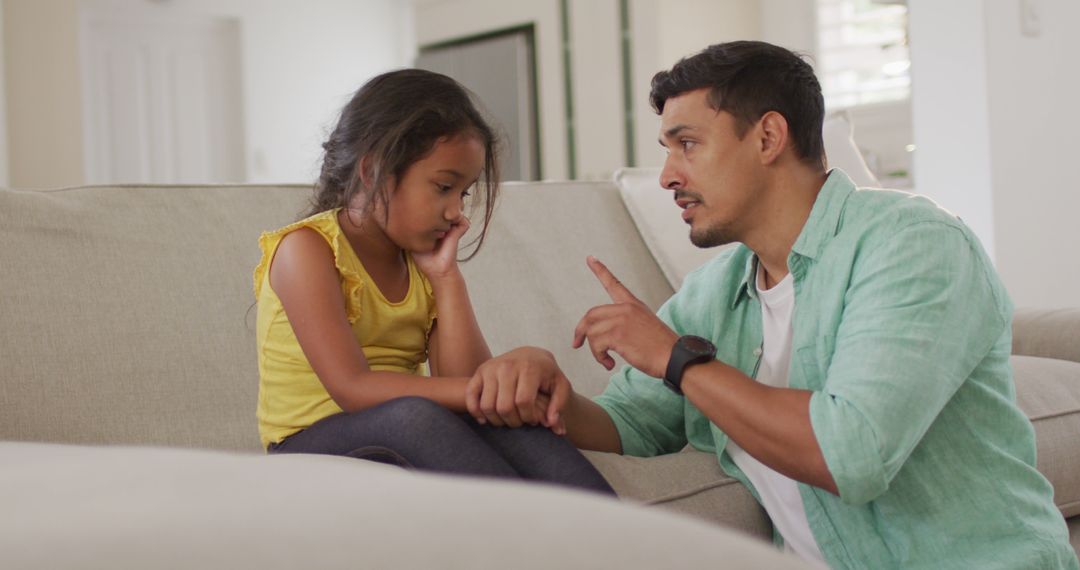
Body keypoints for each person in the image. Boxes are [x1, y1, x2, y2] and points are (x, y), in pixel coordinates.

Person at [466, 42, 1078, 568]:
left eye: (687, 144)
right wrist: (552, 396)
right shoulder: (715, 292)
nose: (667, 175)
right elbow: (635, 420)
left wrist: (676, 359)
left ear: (767, 136)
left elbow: (852, 454)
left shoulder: (912, 245)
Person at [253, 69, 612, 495]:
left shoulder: (421, 263)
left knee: (507, 420)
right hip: (306, 443)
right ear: (373, 172)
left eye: (463, 193)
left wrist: (446, 278)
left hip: (397, 426)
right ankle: (526, 540)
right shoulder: (307, 250)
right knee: (418, 415)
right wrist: (479, 393)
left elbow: (465, 378)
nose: (456, 212)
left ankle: (618, 543)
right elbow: (353, 388)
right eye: (443, 187)